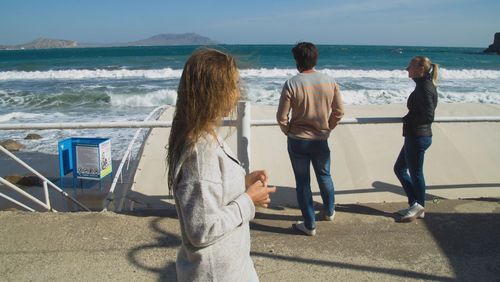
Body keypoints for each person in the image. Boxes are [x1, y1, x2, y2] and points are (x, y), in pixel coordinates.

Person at [167, 49, 276, 281]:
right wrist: (248, 200)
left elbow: (209, 196)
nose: (238, 93)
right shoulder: (199, 152)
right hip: (216, 274)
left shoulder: (206, 138)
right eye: (233, 85)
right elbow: (202, 229)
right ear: (213, 92)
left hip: (231, 267)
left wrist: (243, 184)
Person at [276, 42, 344, 236]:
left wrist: (287, 130)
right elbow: (339, 111)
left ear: (297, 61)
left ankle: (309, 224)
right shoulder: (329, 81)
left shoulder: (292, 83)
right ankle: (329, 211)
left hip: (298, 139)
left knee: (303, 182)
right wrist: (328, 127)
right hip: (320, 138)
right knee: (325, 175)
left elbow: (281, 116)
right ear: (315, 59)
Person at [394, 56, 439, 222]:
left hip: (418, 137)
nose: (407, 69)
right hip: (416, 136)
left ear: (421, 69)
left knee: (416, 174)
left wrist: (407, 119)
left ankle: (418, 206)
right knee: (399, 169)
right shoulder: (423, 85)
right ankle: (415, 205)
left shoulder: (425, 88)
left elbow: (428, 116)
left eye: (411, 66)